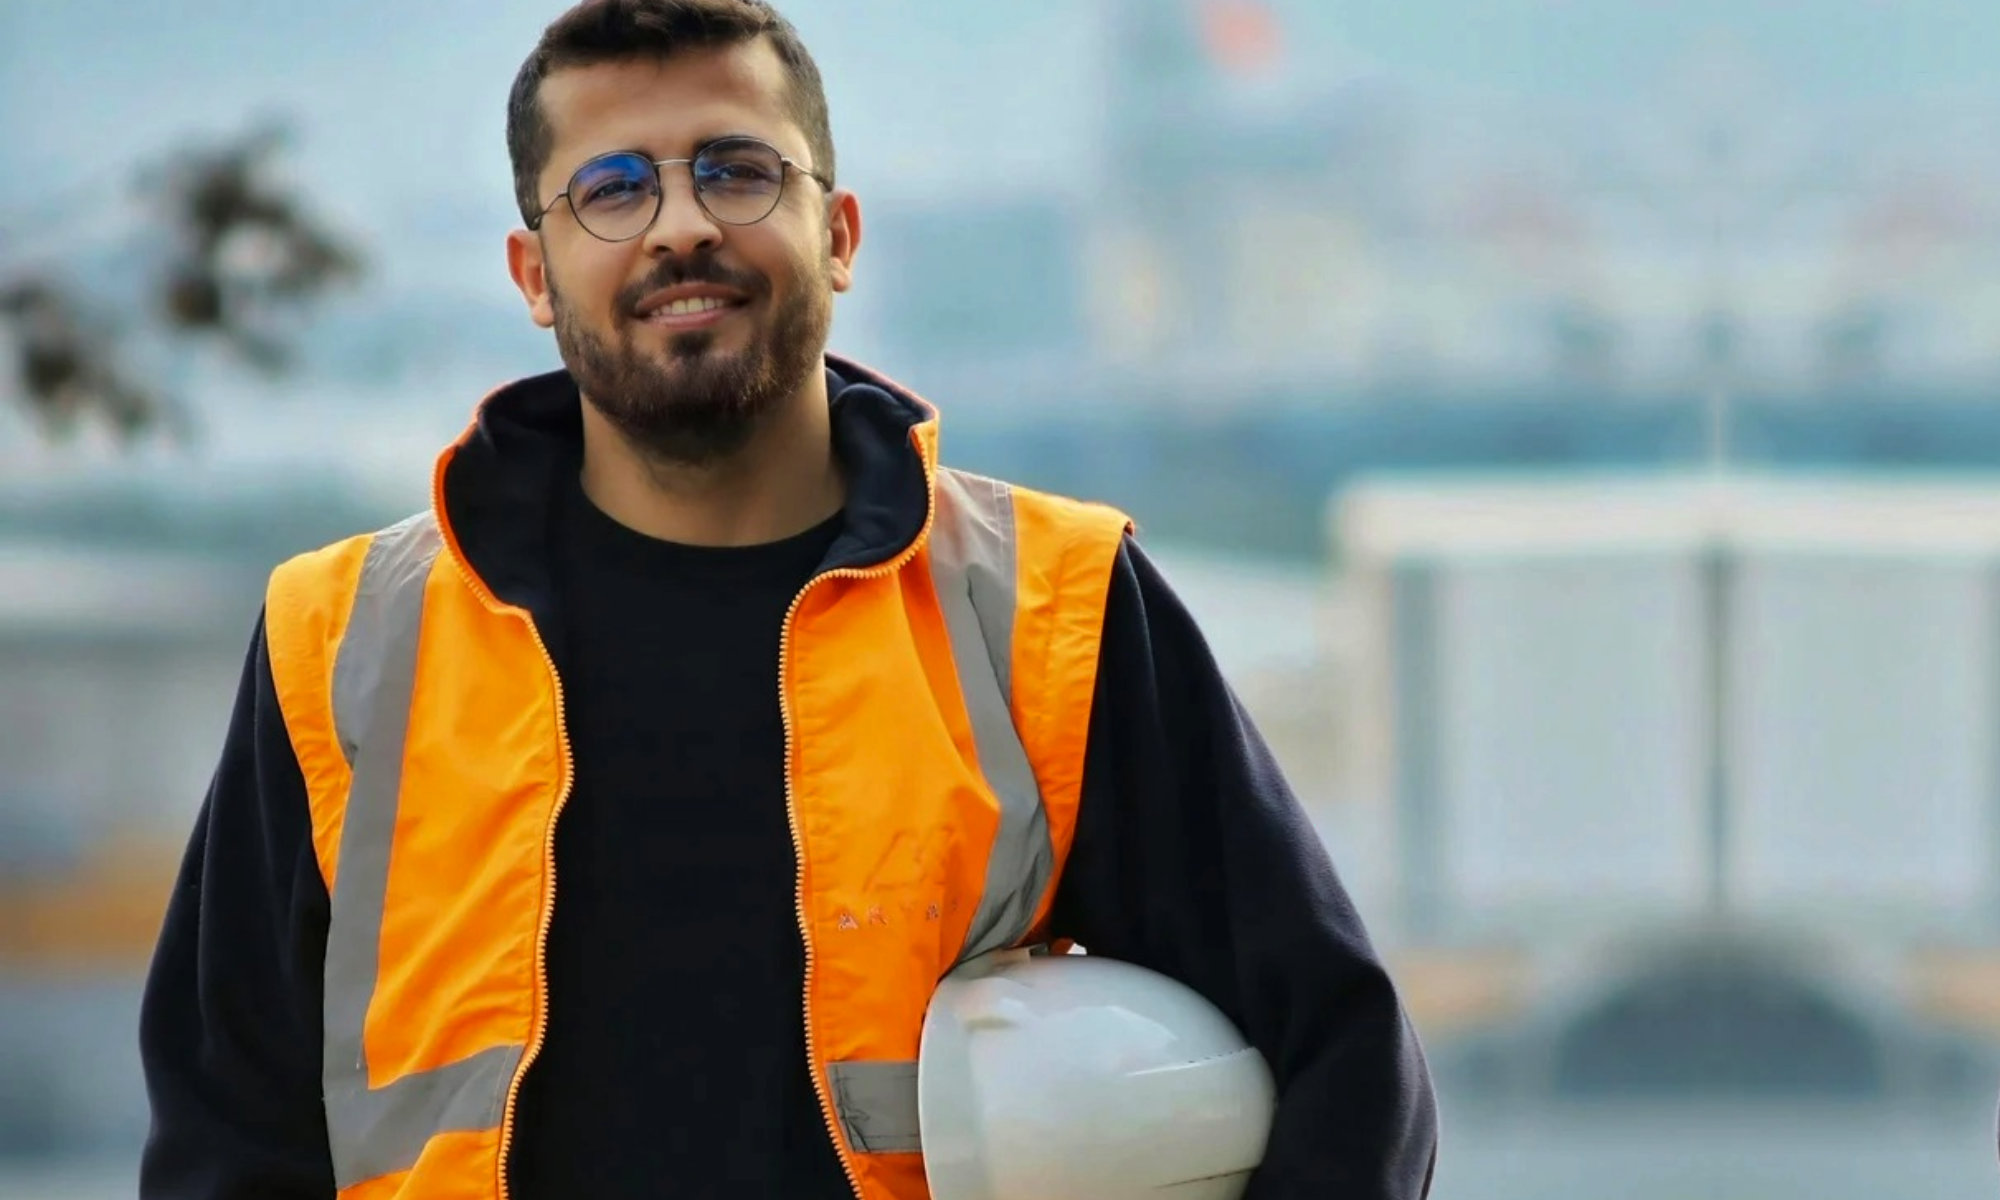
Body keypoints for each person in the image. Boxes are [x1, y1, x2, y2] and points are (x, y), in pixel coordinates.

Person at [136, 1, 1439, 1198]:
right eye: (611, 188)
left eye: (737, 169)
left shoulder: (1047, 609)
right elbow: (223, 1135)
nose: (680, 223)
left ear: (840, 233)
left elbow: (1343, 1062)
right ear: (534, 277)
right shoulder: (345, 642)